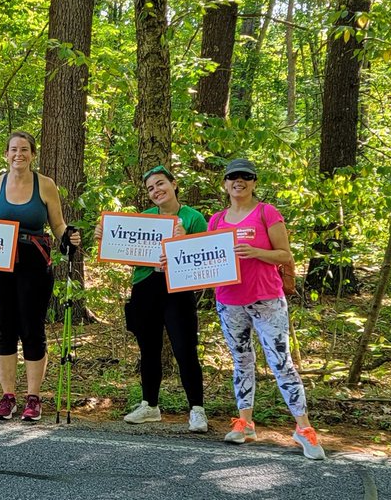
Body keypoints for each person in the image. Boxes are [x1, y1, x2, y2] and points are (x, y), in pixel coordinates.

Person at [210, 158, 325, 460]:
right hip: (229, 301)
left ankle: (303, 429)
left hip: (267, 299)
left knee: (281, 362)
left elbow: (284, 254)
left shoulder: (266, 212)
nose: (239, 181)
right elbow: (206, 259)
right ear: (225, 184)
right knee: (241, 361)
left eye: (245, 177)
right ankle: (244, 421)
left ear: (253, 182)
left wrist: (256, 252)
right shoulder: (217, 219)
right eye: (233, 176)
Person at [95, 165, 207, 432]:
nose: (156, 191)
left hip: (177, 289)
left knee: (185, 348)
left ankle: (197, 410)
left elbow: (202, 258)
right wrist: (104, 237)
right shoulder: (144, 218)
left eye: (160, 184)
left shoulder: (193, 218)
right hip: (145, 287)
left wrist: (184, 240)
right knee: (148, 349)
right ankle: (150, 405)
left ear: (174, 184)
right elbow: (123, 244)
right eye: (150, 188)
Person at [0, 131, 80, 422]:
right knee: (3, 328)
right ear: (6, 154)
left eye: (24, 149)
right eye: (13, 150)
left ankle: (33, 397)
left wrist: (68, 237)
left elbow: (58, 224)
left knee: (32, 329)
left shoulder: (45, 185)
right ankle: (8, 396)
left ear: (33, 154)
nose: (18, 154)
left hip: (34, 264)